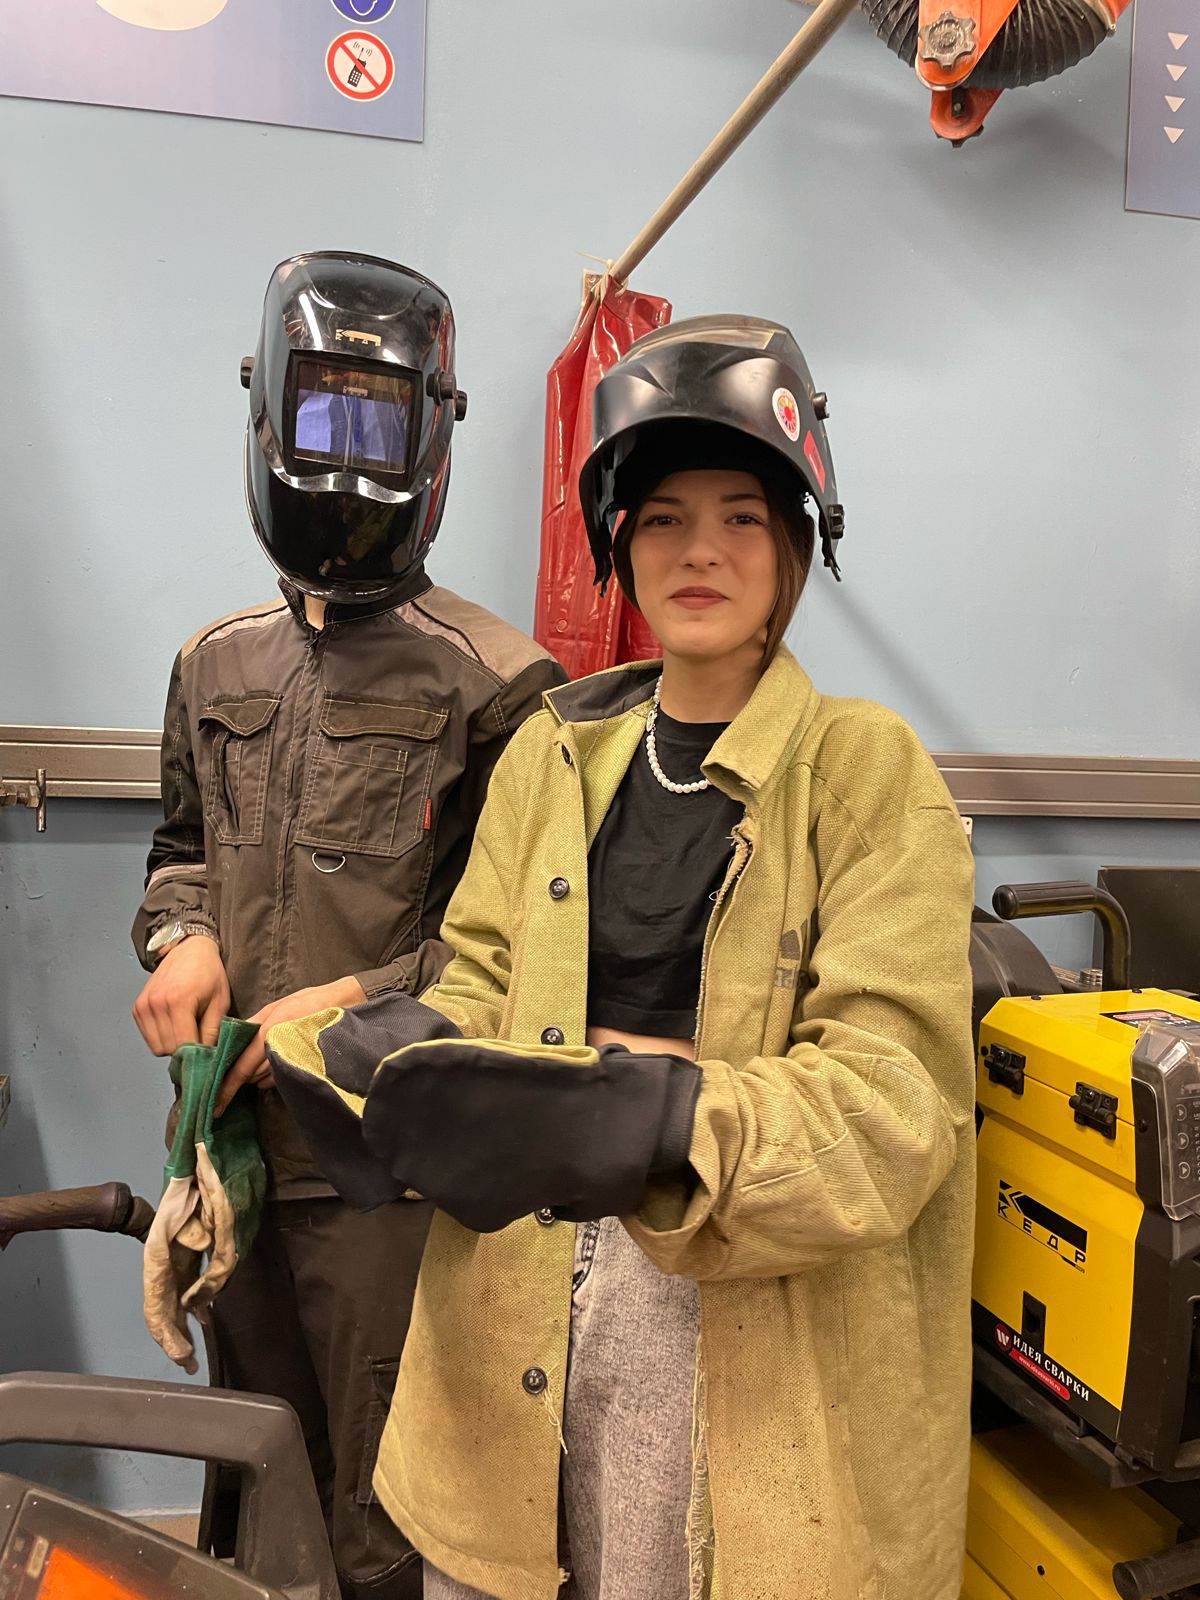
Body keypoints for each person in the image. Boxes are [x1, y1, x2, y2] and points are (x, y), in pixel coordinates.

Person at [266, 314, 977, 1600]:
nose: (700, 549)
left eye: (742, 516)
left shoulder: (869, 773)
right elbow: (483, 976)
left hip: (734, 1316)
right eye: (662, 518)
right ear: (618, 547)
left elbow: (895, 1103)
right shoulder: (554, 751)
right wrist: (410, 1047)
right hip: (510, 1297)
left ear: (798, 543)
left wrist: (661, 1115)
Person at [130, 250, 566, 1600]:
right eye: (323, 410)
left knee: (379, 1521)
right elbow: (178, 856)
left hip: (385, 1182)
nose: (344, 453)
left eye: (376, 417)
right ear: (266, 403)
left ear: (435, 429)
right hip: (231, 1156)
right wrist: (181, 941)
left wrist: (341, 1012)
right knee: (252, 1484)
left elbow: (505, 954)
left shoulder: (503, 685)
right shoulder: (213, 662)